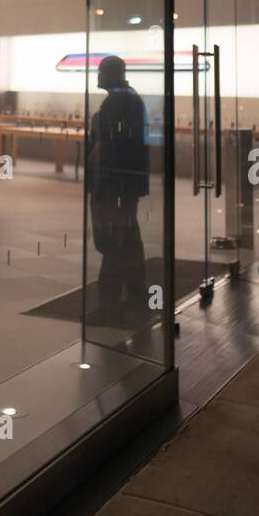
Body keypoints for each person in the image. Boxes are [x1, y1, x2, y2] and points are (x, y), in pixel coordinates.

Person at [87, 55, 150, 326]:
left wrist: (91, 165)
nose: (97, 76)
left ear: (112, 73)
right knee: (128, 238)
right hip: (126, 182)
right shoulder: (130, 97)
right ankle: (138, 296)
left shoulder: (117, 102)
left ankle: (109, 304)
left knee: (113, 239)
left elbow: (103, 145)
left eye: (101, 71)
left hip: (114, 182)